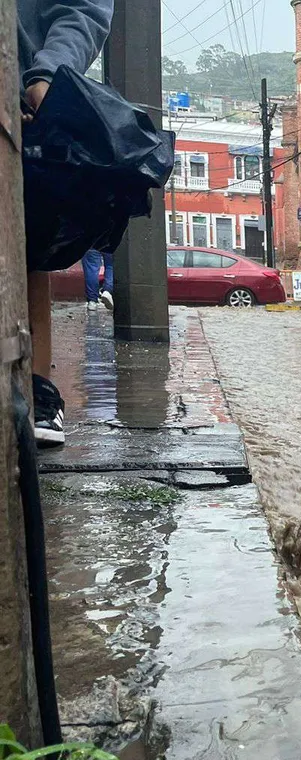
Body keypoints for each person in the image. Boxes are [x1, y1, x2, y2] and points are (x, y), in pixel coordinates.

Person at [18, 0, 114, 446]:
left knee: (26, 249)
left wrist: (47, 75)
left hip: (22, 102)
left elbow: (82, 10)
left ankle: (36, 389)